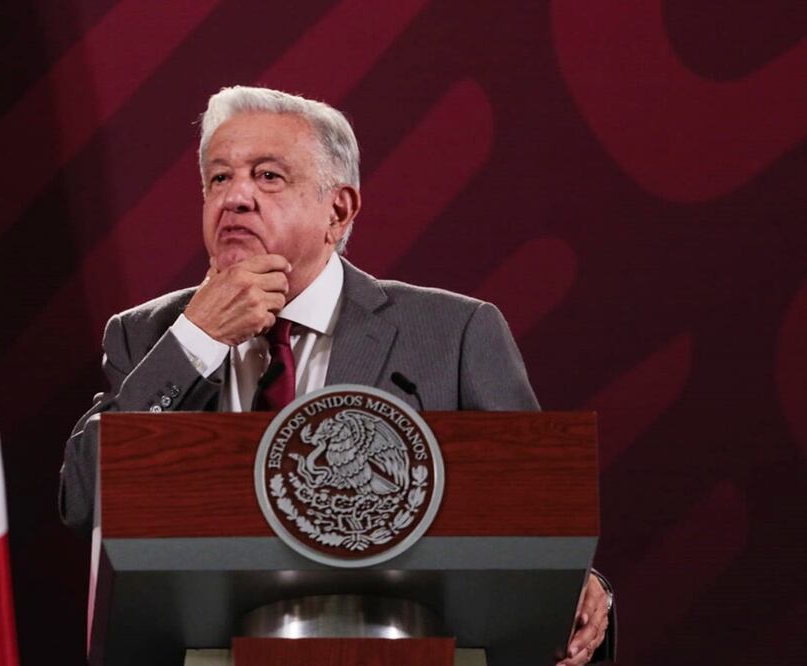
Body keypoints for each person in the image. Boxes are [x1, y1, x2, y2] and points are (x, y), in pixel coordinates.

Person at [60, 86, 613, 665]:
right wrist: (196, 341)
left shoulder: (454, 334)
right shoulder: (149, 335)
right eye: (218, 179)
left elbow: (536, 516)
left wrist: (577, 582)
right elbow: (84, 500)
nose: (236, 197)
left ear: (339, 209)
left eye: (268, 176)